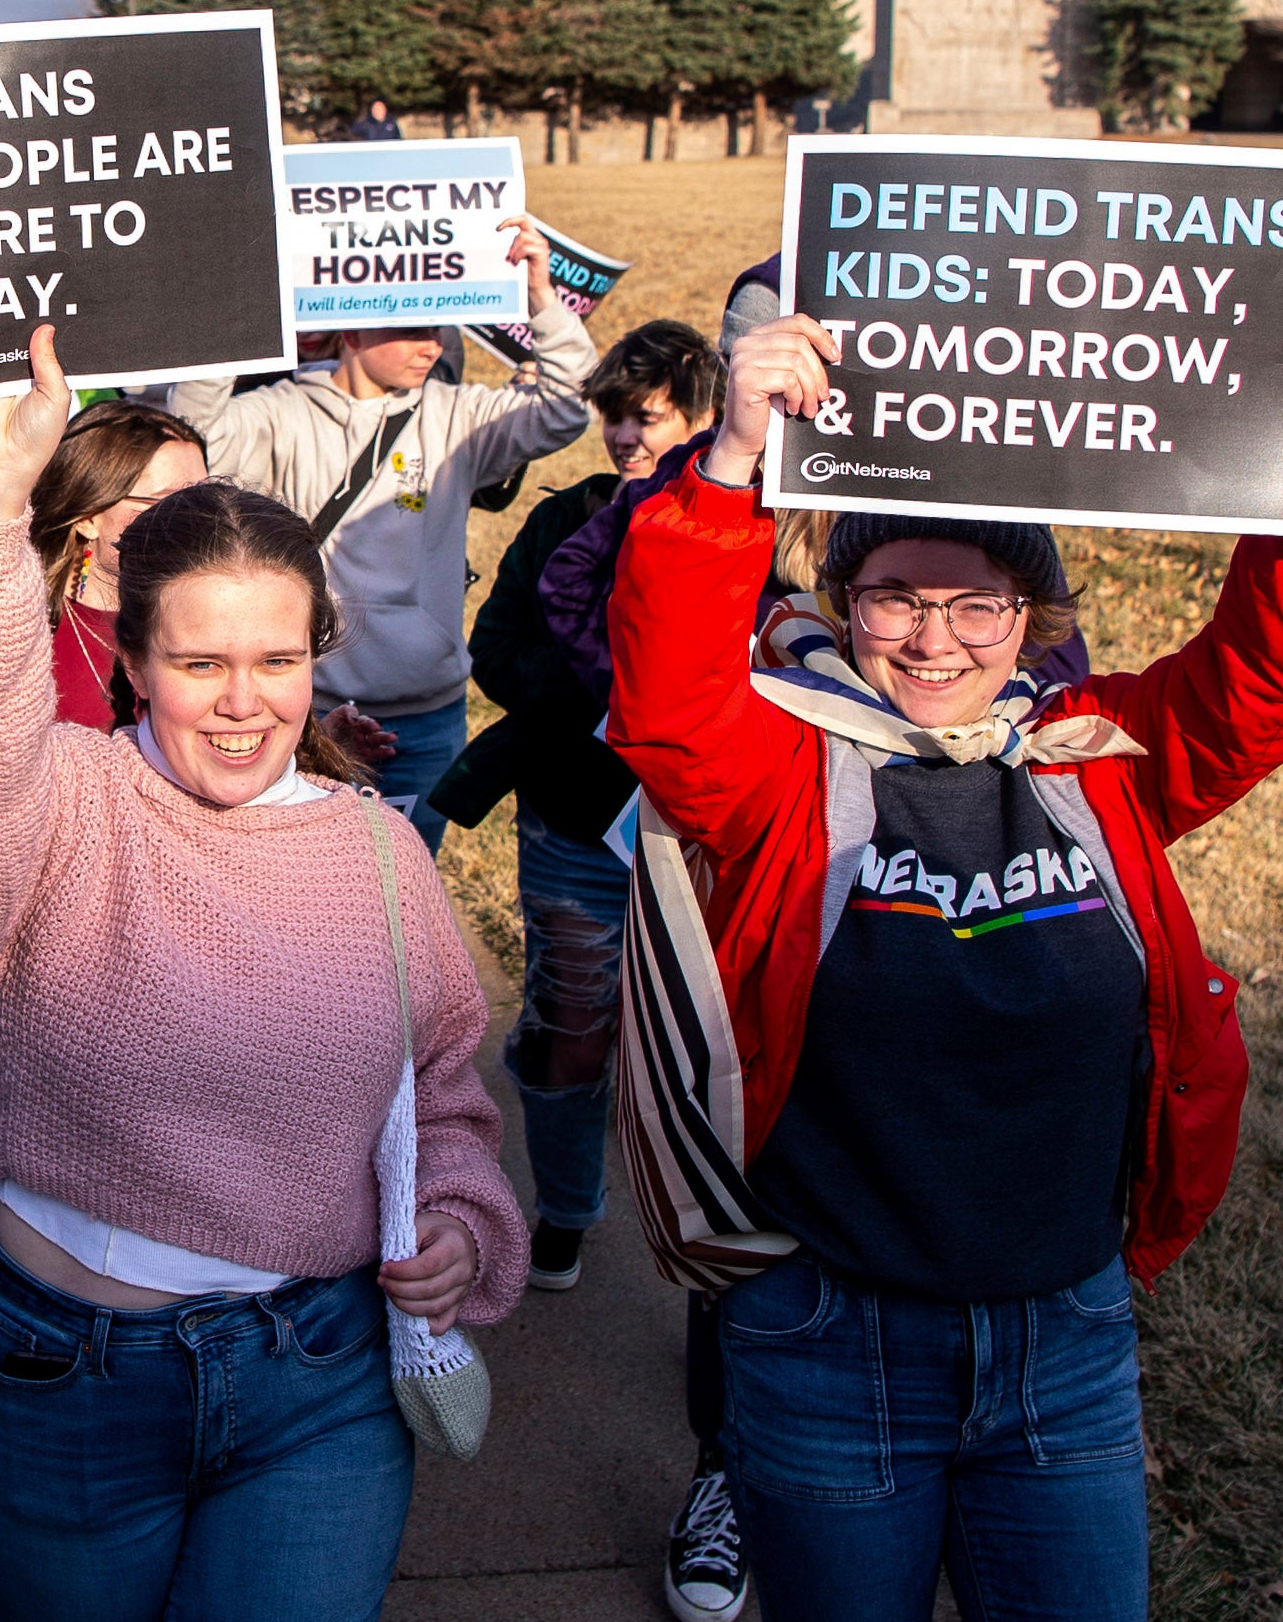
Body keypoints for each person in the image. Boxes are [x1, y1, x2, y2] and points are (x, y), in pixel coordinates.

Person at [604, 298, 1283, 1622]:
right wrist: (734, 462)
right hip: (826, 1339)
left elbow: (1274, 676)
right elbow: (668, 702)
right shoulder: (779, 766)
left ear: (1032, 613)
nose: (933, 640)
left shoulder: (1103, 756)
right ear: (839, 598)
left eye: (978, 602)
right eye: (893, 599)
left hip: (1066, 1340)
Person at [0, 325, 523, 1622]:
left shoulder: (379, 850)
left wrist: (459, 1220)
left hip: (319, 1380)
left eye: (275, 660)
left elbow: (441, 1090)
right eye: (200, 662)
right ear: (135, 657)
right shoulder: (58, 806)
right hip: (68, 1378)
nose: (240, 701)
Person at [428, 319, 747, 1620]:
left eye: (657, 416)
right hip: (573, 817)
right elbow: (494, 649)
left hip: (706, 841)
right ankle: (565, 1201)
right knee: (570, 1032)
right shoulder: (566, 518)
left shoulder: (752, 533)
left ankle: (713, 1241)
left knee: (713, 1061)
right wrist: (599, 670)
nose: (631, 435)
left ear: (707, 420)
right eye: (619, 415)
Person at [171, 217, 594, 848]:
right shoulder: (283, 413)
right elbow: (194, 430)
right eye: (409, 327)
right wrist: (243, 292)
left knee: (406, 898)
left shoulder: (459, 415)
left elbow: (567, 407)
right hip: (307, 716)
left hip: (428, 716)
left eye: (435, 328)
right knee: (297, 889)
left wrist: (541, 298)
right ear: (350, 328)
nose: (431, 345)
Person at [25, 400, 213, 731]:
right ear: (87, 519)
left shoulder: (218, 616)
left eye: (206, 499)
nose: (198, 520)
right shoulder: (19, 630)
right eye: (168, 502)